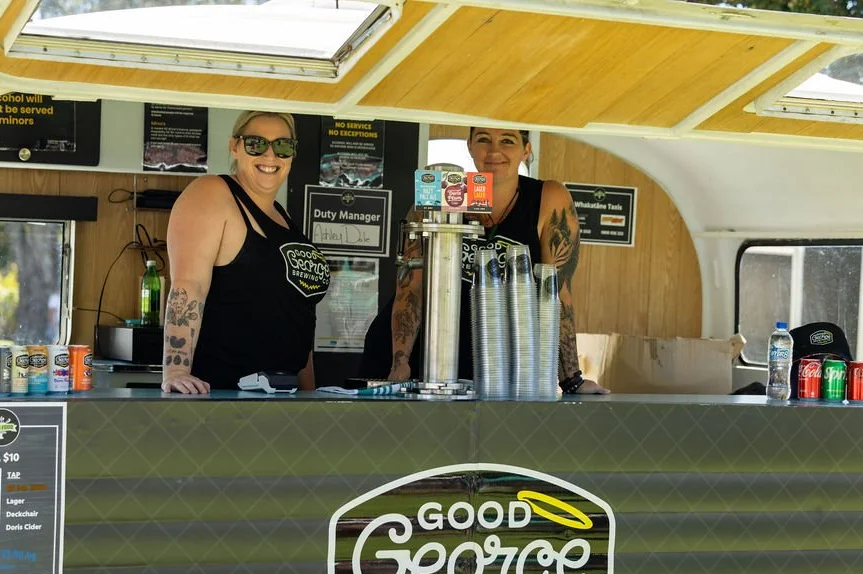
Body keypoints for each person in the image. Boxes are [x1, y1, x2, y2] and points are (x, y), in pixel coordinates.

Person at [367, 127, 606, 394]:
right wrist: (400, 361)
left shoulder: (548, 198)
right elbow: (411, 286)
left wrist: (571, 378)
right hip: (421, 356)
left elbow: (557, 290)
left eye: (507, 141)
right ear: (469, 145)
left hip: (497, 362)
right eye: (483, 139)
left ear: (526, 150)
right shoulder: (445, 189)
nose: (494, 151)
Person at [161, 111, 330, 394]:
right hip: (224, 396)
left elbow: (299, 313)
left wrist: (308, 393)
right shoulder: (212, 193)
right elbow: (189, 286)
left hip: (284, 395)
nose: (270, 155)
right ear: (234, 147)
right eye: (256, 143)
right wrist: (176, 370)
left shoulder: (282, 217)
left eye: (283, 145)